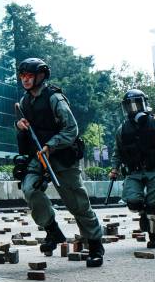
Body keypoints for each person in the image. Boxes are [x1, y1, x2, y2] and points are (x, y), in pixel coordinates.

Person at [15, 57, 104, 267]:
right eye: (22, 76)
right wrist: (20, 125)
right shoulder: (25, 102)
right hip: (39, 156)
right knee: (29, 189)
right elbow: (26, 131)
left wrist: (52, 145)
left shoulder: (55, 98)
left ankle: (94, 245)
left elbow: (71, 129)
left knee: (77, 204)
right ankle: (52, 231)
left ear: (40, 76)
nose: (25, 80)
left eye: (29, 76)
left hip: (62, 155)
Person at [109, 89, 155, 249]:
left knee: (152, 206)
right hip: (133, 172)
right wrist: (114, 168)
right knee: (133, 202)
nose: (134, 109)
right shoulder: (122, 130)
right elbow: (117, 152)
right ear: (125, 108)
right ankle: (143, 213)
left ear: (144, 104)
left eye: (137, 104)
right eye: (130, 105)